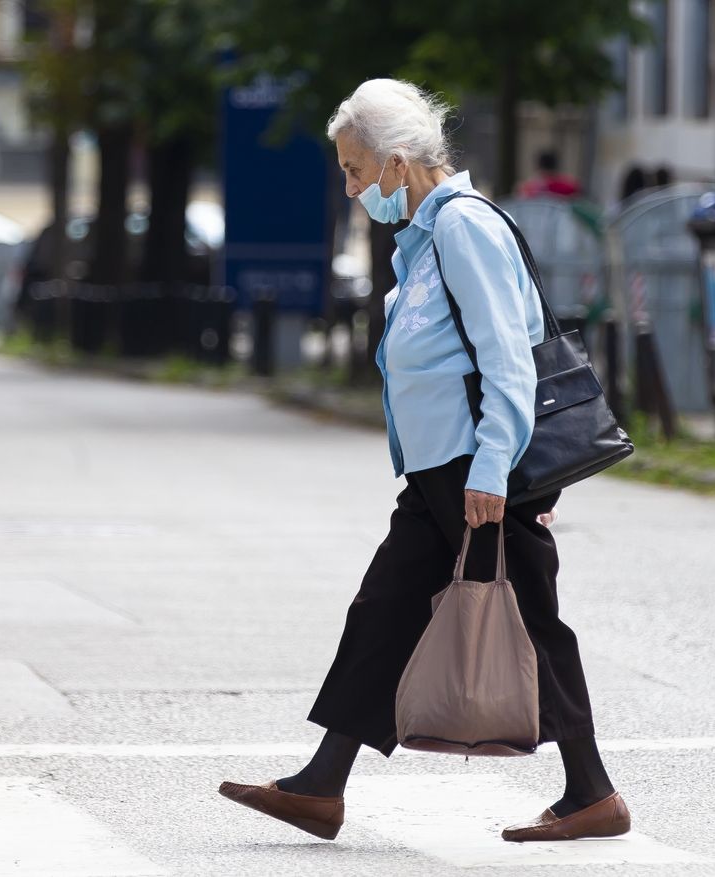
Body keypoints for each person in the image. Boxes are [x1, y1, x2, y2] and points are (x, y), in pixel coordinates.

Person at [219, 79, 628, 844]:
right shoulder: (422, 236)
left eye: (353, 170)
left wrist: (492, 468)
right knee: (385, 610)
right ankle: (321, 782)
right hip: (441, 470)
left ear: (399, 164)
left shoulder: (464, 228)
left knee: (530, 615)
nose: (349, 187)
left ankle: (592, 792)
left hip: (477, 467)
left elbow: (509, 355)